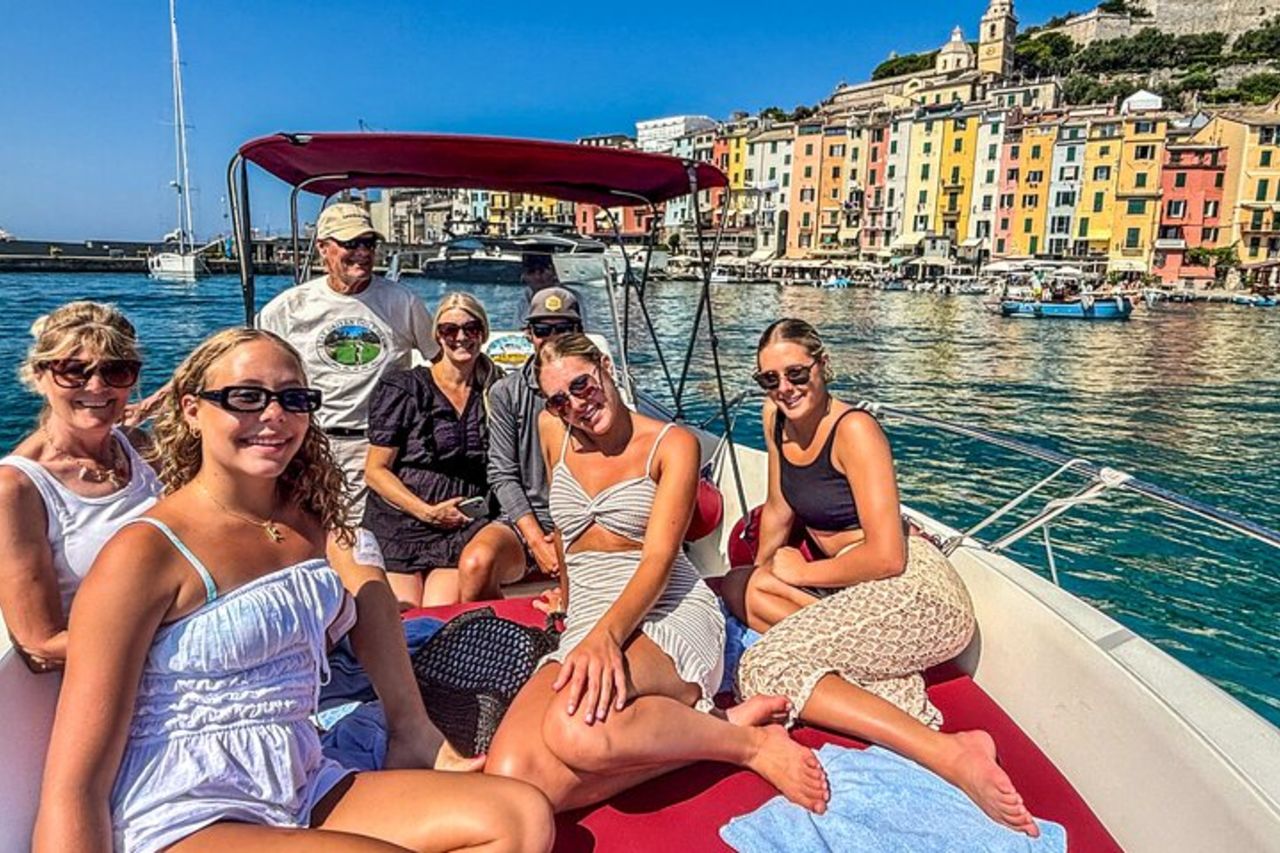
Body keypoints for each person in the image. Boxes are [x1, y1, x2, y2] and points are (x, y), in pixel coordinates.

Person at [33, 328, 554, 853]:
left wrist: (411, 726)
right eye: (246, 397)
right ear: (192, 410)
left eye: (292, 398)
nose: (274, 415)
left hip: (298, 782)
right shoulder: (145, 552)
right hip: (185, 811)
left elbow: (367, 587)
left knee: (519, 816)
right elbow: (75, 783)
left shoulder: (305, 525)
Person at [484, 333, 828, 815]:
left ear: (605, 367)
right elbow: (566, 533)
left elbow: (659, 560)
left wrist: (607, 635)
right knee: (511, 783)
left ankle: (748, 745)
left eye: (582, 386)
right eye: (559, 400)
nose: (576, 406)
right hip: (589, 618)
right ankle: (721, 723)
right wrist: (569, 599)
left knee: (578, 731)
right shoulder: (550, 430)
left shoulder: (673, 444)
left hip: (666, 608)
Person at [720, 318, 1038, 837]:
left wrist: (802, 570)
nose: (785, 389)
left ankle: (952, 753)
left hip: (917, 594)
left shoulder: (855, 431)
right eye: (769, 380)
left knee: (764, 666)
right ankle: (868, 675)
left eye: (796, 373)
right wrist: (761, 575)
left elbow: (888, 556)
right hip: (856, 590)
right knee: (742, 589)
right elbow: (778, 510)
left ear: (823, 365)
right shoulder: (776, 420)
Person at [0, 301, 163, 673]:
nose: (97, 386)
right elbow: (39, 644)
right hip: (109, 677)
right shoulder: (17, 488)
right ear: (39, 376)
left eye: (116, 371)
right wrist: (173, 638)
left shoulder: (137, 447)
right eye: (74, 371)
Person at [258, 202, 440, 517]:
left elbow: (442, 362)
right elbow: (240, 365)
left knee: (361, 547)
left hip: (378, 450)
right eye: (350, 244)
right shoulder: (287, 308)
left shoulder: (403, 302)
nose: (362, 252)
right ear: (323, 248)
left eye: (368, 243)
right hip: (308, 444)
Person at [363, 293, 523, 609]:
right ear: (438, 336)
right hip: (400, 521)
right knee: (402, 611)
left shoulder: (497, 391)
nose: (461, 337)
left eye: (471, 328)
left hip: (461, 523)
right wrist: (426, 511)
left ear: (484, 333)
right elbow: (375, 470)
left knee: (439, 613)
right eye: (450, 330)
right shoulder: (403, 388)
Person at [457, 287, 583, 602]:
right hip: (526, 518)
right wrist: (537, 540)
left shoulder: (597, 393)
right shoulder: (506, 393)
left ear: (578, 331)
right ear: (529, 334)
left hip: (585, 517)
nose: (552, 338)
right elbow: (503, 473)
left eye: (563, 328)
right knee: (476, 564)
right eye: (542, 329)